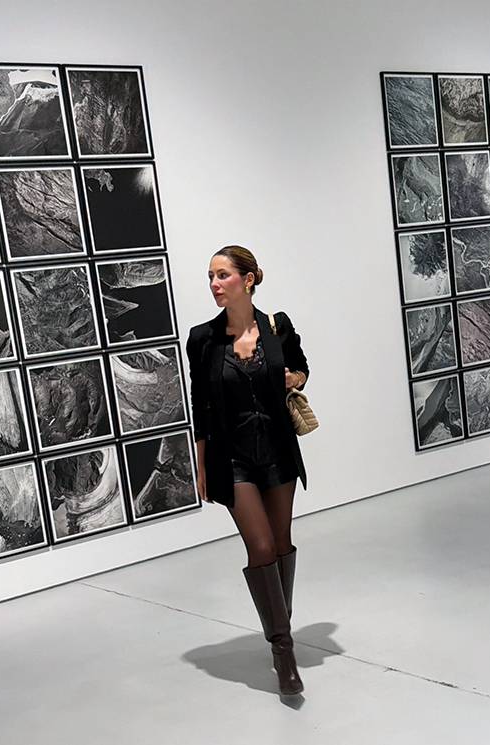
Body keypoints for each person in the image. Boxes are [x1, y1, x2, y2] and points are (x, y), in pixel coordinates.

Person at [186, 245, 309, 696]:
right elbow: (200, 406)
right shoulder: (202, 339)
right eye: (211, 277)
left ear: (248, 279)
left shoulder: (278, 326)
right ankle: (283, 651)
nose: (215, 284)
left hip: (277, 452)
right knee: (259, 546)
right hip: (231, 458)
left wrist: (293, 379)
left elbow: (302, 368)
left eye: (223, 275)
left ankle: (280, 621)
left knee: (281, 543)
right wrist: (201, 464)